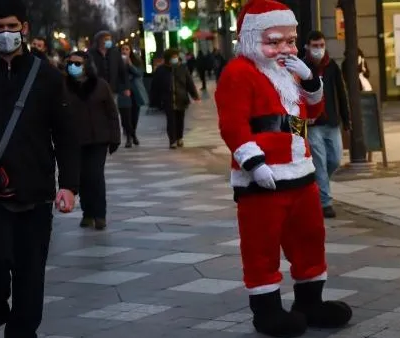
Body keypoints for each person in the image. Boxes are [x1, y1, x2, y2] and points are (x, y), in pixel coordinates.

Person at [215, 1, 352, 337]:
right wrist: (253, 163)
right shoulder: (238, 72)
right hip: (262, 178)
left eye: (289, 41)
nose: (283, 49)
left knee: (309, 239)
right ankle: (267, 311)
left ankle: (310, 303)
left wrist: (310, 80)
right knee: (261, 246)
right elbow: (232, 125)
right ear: (251, 39)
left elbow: (310, 116)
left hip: (300, 172)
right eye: (273, 42)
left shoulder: (289, 71)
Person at [0, 0, 80, 336]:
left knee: (31, 271)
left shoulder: (46, 76)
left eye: (12, 27)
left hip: (36, 189)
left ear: (25, 28)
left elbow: (66, 135)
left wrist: (69, 185)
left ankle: (23, 330)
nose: (6, 34)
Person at [65, 51, 120, 231]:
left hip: (98, 139)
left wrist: (114, 137)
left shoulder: (100, 85)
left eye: (78, 63)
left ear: (87, 65)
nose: (73, 66)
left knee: (95, 176)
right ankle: (87, 213)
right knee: (82, 178)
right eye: (71, 63)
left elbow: (112, 113)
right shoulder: (63, 86)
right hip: (75, 140)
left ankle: (99, 214)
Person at [303, 30, 351, 219]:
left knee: (335, 159)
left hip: (331, 121)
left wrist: (346, 120)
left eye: (321, 45)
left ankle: (316, 185)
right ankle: (325, 203)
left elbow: (341, 93)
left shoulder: (331, 66)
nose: (318, 49)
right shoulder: (302, 67)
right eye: (315, 46)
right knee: (320, 163)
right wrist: (297, 128)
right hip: (313, 124)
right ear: (307, 47)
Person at [149, 48, 199, 149]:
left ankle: (179, 138)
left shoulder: (182, 68)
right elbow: (155, 86)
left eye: (176, 56)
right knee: (171, 121)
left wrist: (195, 95)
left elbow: (189, 83)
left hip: (181, 98)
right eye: (173, 57)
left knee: (180, 120)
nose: (175, 58)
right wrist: (154, 101)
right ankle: (172, 140)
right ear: (168, 58)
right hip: (168, 99)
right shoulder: (161, 70)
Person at [88, 31, 130, 100]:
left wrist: (126, 87)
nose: (109, 41)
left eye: (110, 39)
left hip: (112, 90)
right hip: (96, 89)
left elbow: (122, 71)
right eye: (106, 39)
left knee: (112, 109)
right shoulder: (91, 54)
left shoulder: (115, 53)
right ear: (99, 40)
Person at [120, 45, 149, 145]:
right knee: (125, 117)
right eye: (122, 49)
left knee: (134, 115)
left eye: (127, 49)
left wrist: (130, 64)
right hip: (124, 93)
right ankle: (129, 136)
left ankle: (132, 134)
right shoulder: (117, 62)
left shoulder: (136, 61)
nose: (124, 51)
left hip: (135, 92)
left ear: (130, 51)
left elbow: (139, 73)